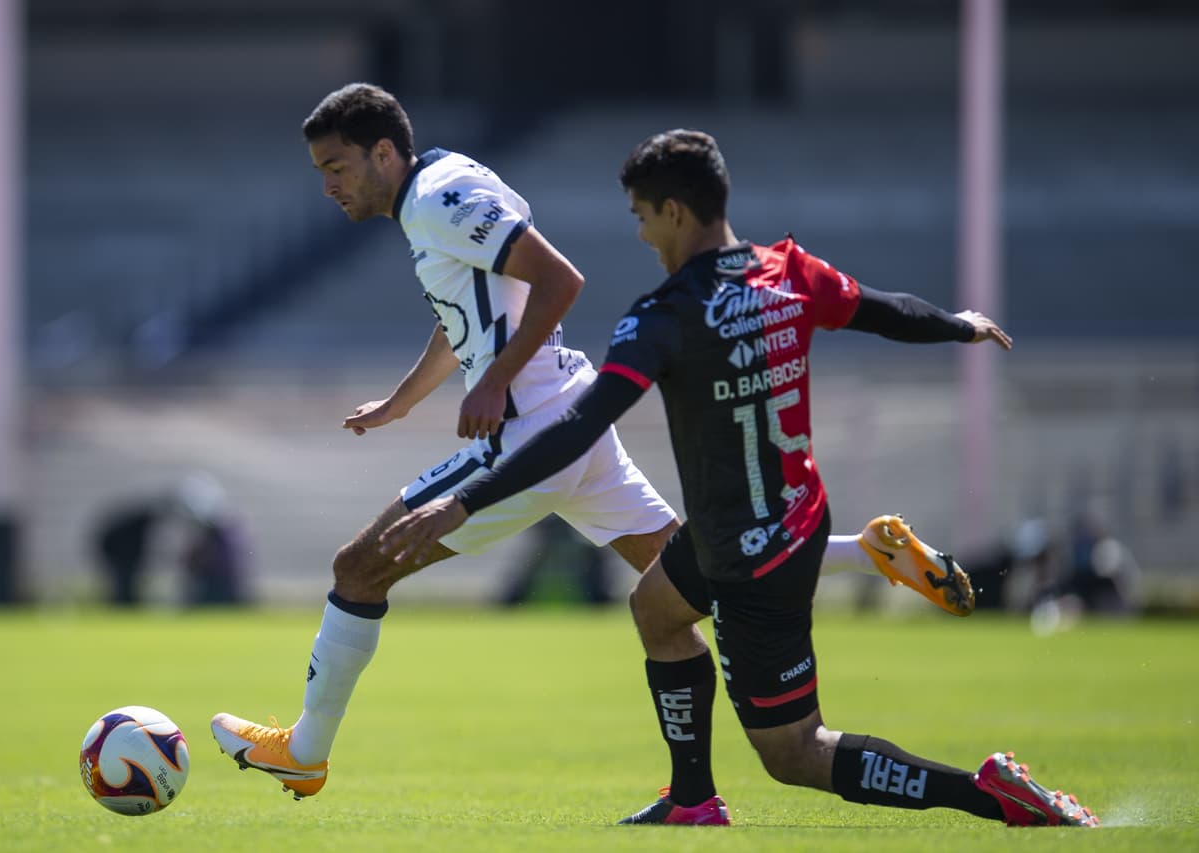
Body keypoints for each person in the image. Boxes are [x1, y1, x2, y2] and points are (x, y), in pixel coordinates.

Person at [209, 85, 973, 802]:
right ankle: (864, 553)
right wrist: (402, 402)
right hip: (565, 412)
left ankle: (306, 751)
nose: (328, 186)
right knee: (684, 572)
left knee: (359, 566)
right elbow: (467, 309)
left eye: (335, 167)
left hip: (535, 427)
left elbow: (559, 280)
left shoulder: (439, 199)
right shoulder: (440, 184)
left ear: (383, 154)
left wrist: (496, 379)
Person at [380, 129, 1099, 828]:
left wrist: (463, 502)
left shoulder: (664, 319)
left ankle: (992, 794)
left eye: (640, 217)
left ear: (675, 213)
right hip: (777, 517)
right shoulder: (789, 273)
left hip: (757, 559)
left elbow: (578, 427)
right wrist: (960, 324)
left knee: (794, 753)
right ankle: (693, 800)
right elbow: (885, 311)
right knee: (656, 610)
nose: (638, 236)